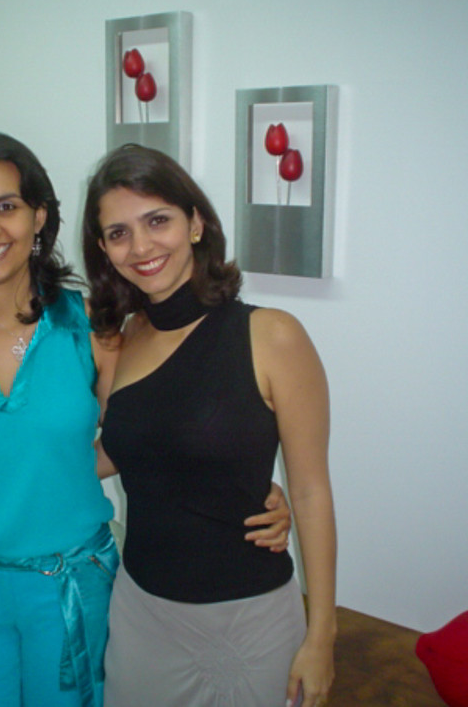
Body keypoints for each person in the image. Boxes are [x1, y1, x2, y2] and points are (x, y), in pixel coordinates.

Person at [0, 132, 292, 707]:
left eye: (7, 206)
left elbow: (147, 436)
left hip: (77, 589)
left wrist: (247, 487)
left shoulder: (91, 327)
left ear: (39, 217)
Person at [82, 144, 337, 707]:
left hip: (248, 622)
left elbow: (311, 491)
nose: (141, 246)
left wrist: (322, 634)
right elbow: (125, 450)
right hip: (141, 614)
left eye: (157, 221)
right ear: (103, 248)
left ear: (195, 223)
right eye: (119, 233)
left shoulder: (272, 336)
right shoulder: (119, 339)